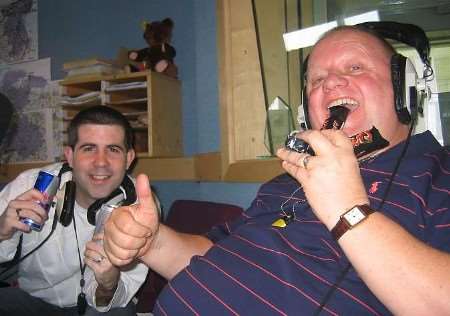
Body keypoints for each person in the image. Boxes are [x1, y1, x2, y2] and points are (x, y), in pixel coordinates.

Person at [103, 24, 450, 315]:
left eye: (355, 68)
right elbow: (216, 257)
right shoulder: (284, 184)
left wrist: (347, 210)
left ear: (404, 89)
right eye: (316, 80)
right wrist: (152, 241)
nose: (329, 84)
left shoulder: (440, 176)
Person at [0, 106, 150, 315]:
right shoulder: (30, 184)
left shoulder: (141, 207)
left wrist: (108, 284)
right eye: (89, 148)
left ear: (129, 158)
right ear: (70, 156)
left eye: (113, 149)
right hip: (31, 300)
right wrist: (1, 231)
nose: (101, 162)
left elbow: (117, 294)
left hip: (93, 307)